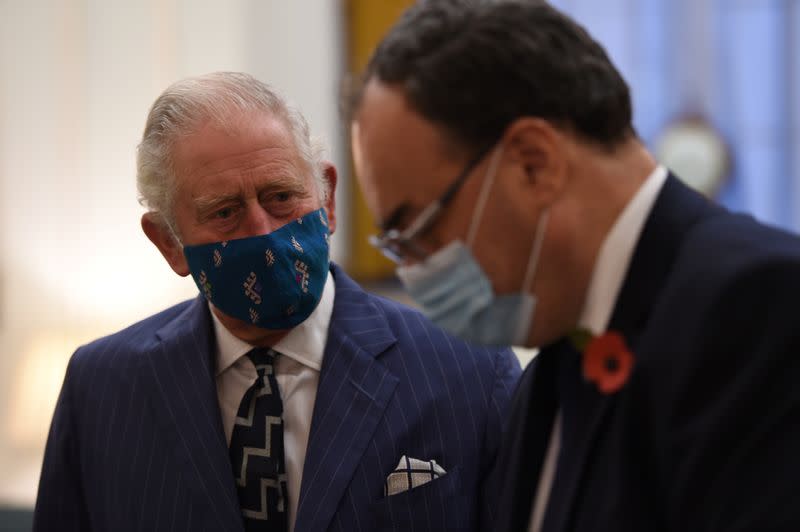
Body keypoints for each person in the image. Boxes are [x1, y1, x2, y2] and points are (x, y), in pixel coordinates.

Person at [348, 1, 800, 531]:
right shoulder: (549, 373)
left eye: (421, 232)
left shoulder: (759, 311)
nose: (418, 273)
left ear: (533, 162)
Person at [33, 72, 521, 532]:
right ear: (169, 242)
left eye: (281, 196)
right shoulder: (101, 388)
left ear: (327, 200)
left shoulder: (470, 369)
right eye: (224, 212)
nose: (264, 233)